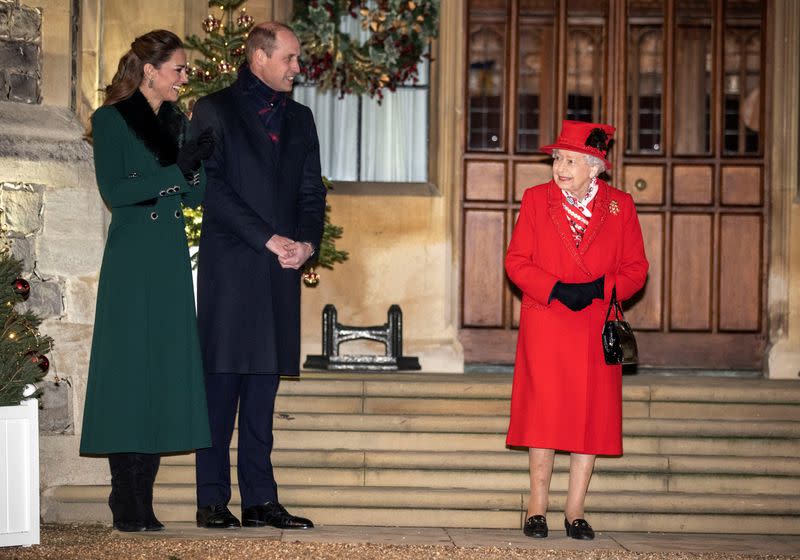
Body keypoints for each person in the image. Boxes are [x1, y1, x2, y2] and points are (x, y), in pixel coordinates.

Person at [190, 22, 326, 530]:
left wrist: (307, 245)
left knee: (262, 397)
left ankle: (260, 500)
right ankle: (211, 501)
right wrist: (267, 237)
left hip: (280, 274)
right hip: (232, 271)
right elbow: (210, 186)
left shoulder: (303, 119)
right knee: (220, 390)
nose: (297, 67)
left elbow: (312, 192)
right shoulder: (213, 109)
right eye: (290, 58)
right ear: (259, 58)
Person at [80, 29, 214, 532]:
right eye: (178, 69)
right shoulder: (110, 119)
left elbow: (195, 199)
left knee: (159, 370)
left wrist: (197, 166)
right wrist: (175, 170)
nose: (184, 77)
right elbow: (115, 189)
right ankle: (125, 496)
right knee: (127, 375)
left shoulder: (176, 123)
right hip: (132, 260)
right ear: (151, 70)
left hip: (168, 262)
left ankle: (144, 498)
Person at [505, 120, 648, 540]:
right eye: (557, 159)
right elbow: (516, 261)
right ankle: (536, 508)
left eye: (570, 160)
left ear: (594, 166)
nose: (560, 167)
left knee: (590, 417)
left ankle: (576, 511)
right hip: (547, 319)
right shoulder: (535, 200)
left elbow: (637, 270)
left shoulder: (620, 205)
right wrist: (555, 288)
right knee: (544, 412)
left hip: (594, 322)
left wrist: (600, 289)